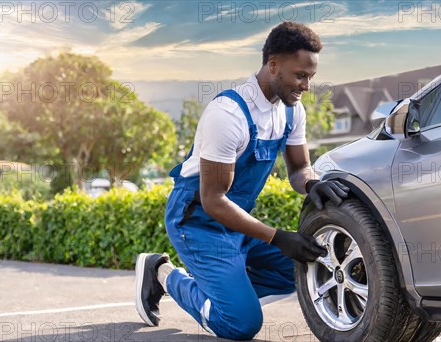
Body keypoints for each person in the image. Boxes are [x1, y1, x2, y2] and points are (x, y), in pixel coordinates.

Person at [134, 22, 349, 340]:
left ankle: (229, 288)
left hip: (236, 225)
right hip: (197, 222)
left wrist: (312, 183)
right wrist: (277, 238)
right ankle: (163, 274)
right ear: (273, 64)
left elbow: (300, 167)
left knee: (309, 273)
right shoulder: (229, 114)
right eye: (300, 75)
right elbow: (213, 201)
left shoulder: (291, 112)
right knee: (240, 323)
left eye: (310, 77)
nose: (305, 86)